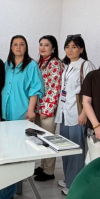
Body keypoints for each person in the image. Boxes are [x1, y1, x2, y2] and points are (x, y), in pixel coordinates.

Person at [0, 35, 44, 199]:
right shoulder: (7, 64)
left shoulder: (31, 65)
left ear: (26, 47)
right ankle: (6, 186)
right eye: (15, 44)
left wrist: (31, 110)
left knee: (17, 151)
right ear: (11, 47)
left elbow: (35, 89)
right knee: (6, 150)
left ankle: (10, 190)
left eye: (22, 44)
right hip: (6, 112)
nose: (18, 47)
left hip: (21, 112)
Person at [55, 35, 95, 195]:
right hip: (65, 112)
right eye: (67, 47)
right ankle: (68, 178)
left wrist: (84, 112)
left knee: (76, 149)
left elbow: (91, 91)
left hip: (77, 112)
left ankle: (74, 185)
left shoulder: (86, 65)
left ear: (81, 49)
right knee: (65, 147)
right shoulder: (67, 65)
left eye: (74, 47)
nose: (70, 50)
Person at [34, 35, 64, 182]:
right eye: (41, 44)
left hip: (47, 109)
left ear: (53, 48)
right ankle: (42, 166)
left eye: (46, 45)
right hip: (38, 107)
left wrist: (48, 109)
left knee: (49, 139)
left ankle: (49, 171)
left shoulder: (55, 63)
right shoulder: (41, 62)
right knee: (41, 139)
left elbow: (55, 88)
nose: (43, 47)